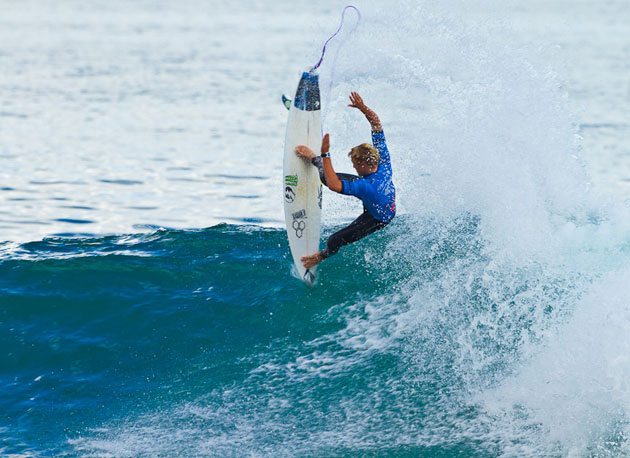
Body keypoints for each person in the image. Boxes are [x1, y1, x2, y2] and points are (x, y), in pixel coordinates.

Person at [295, 91, 396, 268]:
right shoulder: (382, 159)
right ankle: (314, 159)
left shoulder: (366, 186)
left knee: (335, 239)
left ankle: (322, 256)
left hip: (378, 217)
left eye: (355, 164)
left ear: (363, 164)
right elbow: (376, 123)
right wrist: (363, 108)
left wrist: (326, 154)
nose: (353, 167)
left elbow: (334, 185)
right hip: (378, 197)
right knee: (326, 176)